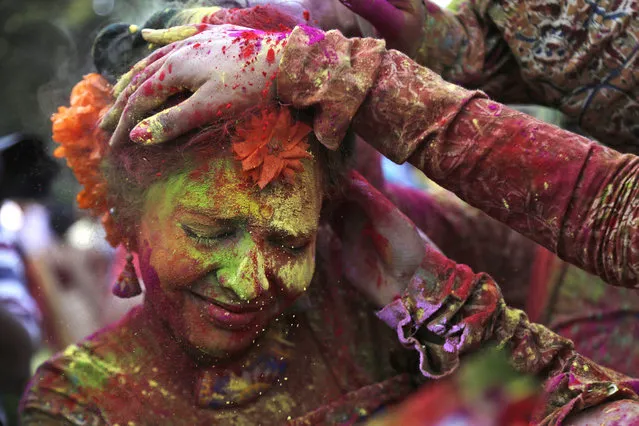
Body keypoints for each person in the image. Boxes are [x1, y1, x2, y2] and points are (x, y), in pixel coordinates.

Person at [20, 6, 639, 425]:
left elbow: (524, 396)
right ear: (125, 220)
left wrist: (445, 316)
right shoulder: (83, 403)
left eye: (288, 242)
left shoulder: (380, 310)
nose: (246, 282)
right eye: (210, 230)